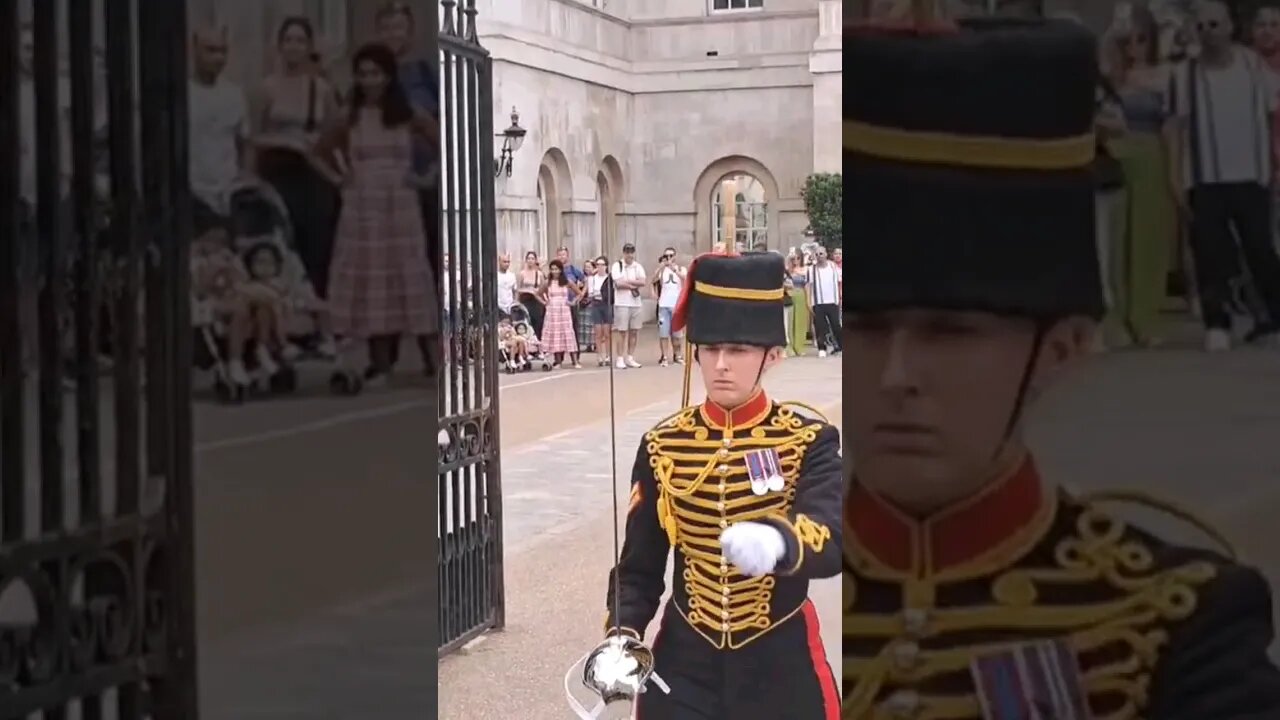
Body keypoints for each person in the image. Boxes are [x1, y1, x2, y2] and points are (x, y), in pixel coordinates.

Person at [844, 14, 1280, 718]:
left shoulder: (1175, 621)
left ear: (1062, 349)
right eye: (864, 330)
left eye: (949, 333)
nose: (897, 373)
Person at [602, 251, 842, 719]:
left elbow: (832, 535)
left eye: (737, 350)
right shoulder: (662, 445)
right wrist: (624, 633)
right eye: (710, 350)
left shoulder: (809, 438)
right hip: (685, 661)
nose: (721, 365)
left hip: (779, 659)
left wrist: (778, 541)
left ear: (771, 356)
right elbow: (640, 563)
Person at [313, 43, 439, 385]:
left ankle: (435, 363)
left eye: (375, 73)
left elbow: (442, 140)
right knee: (369, 277)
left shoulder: (407, 112)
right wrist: (340, 178)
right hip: (361, 205)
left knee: (410, 273)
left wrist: (426, 176)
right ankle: (379, 363)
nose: (369, 80)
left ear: (388, 76)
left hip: (400, 202)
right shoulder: (348, 115)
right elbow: (320, 151)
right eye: (363, 73)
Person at [1165, 0, 1280, 350]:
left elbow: (1274, 111)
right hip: (1205, 179)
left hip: (1251, 175)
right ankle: (1217, 323)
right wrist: (1174, 176)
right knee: (1210, 254)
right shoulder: (1184, 75)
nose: (1209, 33)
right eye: (1202, 27)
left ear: (1230, 27)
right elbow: (1174, 127)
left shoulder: (1253, 66)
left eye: (1215, 25)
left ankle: (1275, 317)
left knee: (1261, 249)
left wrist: (1273, 165)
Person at [610, 243, 646, 369]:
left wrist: (628, 282)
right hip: (622, 303)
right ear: (623, 253)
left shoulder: (638, 266)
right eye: (627, 252)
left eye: (631, 252)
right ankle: (620, 358)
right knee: (622, 331)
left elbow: (643, 281)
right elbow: (618, 283)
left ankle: (630, 357)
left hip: (635, 303)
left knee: (634, 331)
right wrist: (633, 285)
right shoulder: (617, 266)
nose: (629, 255)